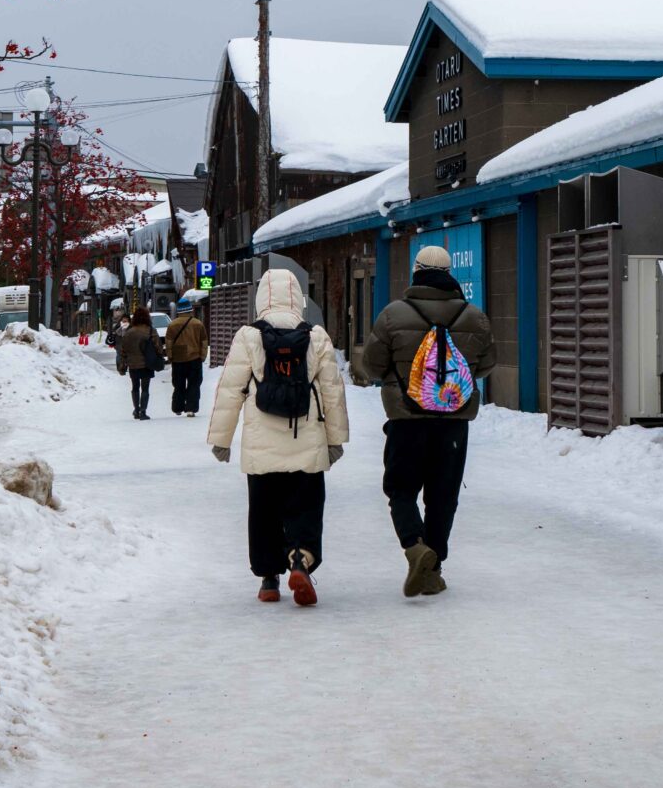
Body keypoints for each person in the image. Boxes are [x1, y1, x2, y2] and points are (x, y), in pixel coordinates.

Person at [205, 269, 350, 606]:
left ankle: (269, 580)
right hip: (307, 440)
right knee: (306, 505)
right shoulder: (315, 336)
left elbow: (231, 390)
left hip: (261, 446)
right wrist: (335, 439)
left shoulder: (248, 336)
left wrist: (221, 439)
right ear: (297, 298)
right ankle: (300, 558)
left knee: (264, 509)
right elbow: (332, 392)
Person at [358, 245, 495, 598]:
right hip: (452, 423)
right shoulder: (474, 316)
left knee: (400, 491)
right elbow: (487, 364)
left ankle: (415, 546)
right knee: (443, 496)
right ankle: (433, 570)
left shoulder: (393, 315)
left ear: (416, 271)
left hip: (406, 420)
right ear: (450, 273)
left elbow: (371, 367)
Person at [114, 308, 164, 420]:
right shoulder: (150, 330)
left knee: (135, 387)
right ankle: (143, 412)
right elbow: (158, 347)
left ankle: (136, 410)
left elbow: (123, 350)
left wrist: (123, 365)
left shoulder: (129, 332)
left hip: (133, 364)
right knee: (145, 388)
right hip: (147, 363)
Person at [165, 295, 209, 417]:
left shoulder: (172, 325)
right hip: (194, 358)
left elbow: (168, 343)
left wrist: (170, 356)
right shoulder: (198, 324)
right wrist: (203, 356)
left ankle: (177, 407)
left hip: (178, 358)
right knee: (194, 384)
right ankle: (191, 408)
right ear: (190, 310)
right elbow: (204, 342)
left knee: (178, 384)